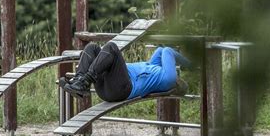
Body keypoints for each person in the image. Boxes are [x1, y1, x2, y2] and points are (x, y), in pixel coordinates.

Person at [61, 42, 191, 102]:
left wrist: (188, 63)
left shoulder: (169, 80)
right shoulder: (156, 70)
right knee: (92, 47)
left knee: (111, 47)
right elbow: (161, 50)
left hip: (122, 89)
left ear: (178, 84)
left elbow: (168, 51)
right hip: (110, 88)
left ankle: (85, 80)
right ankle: (80, 83)